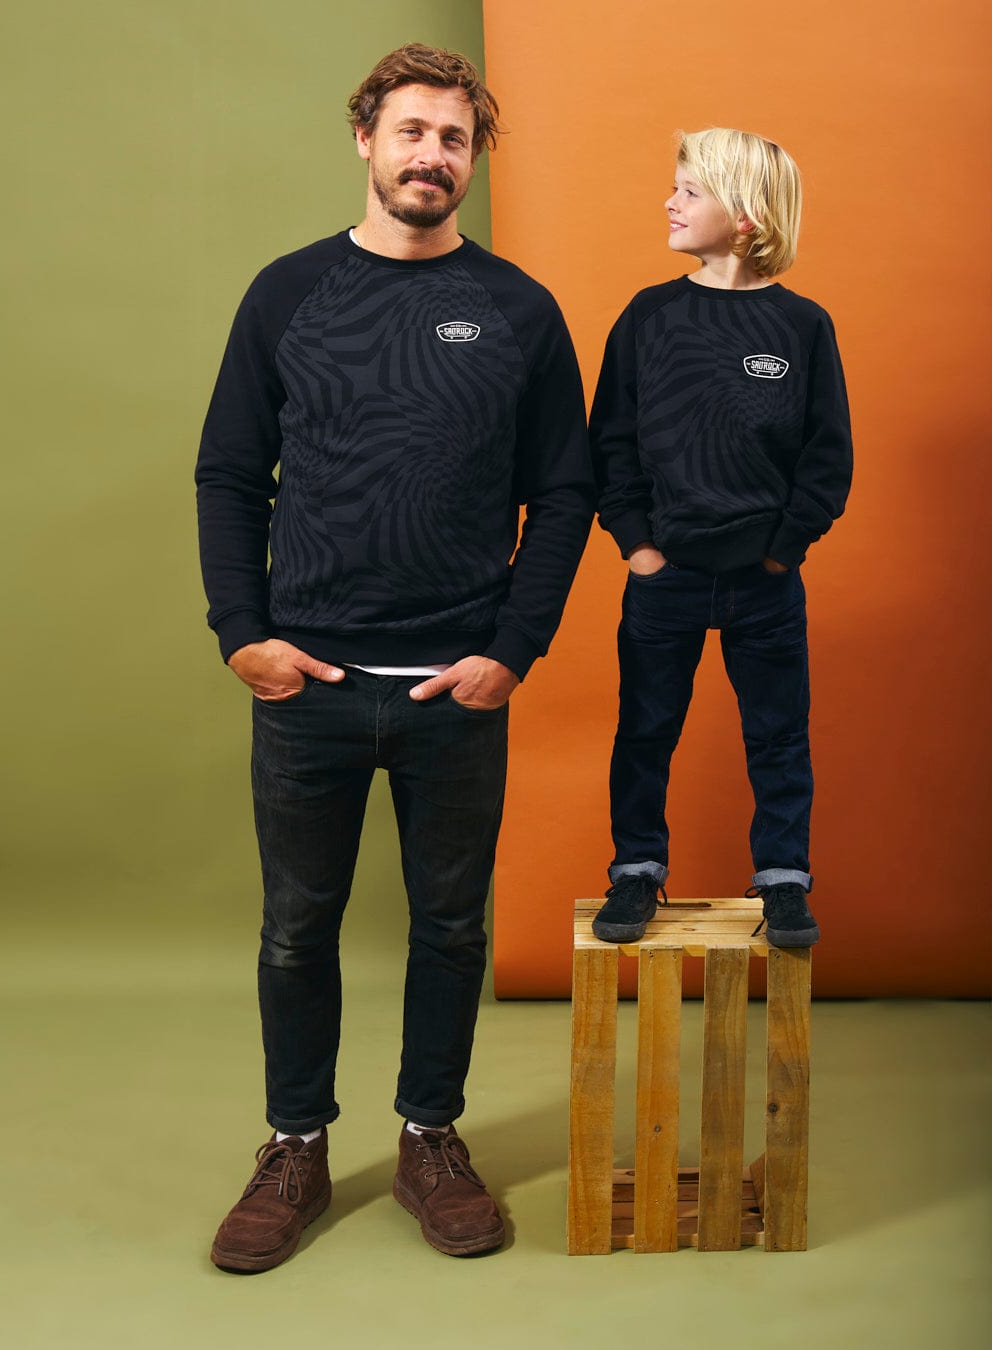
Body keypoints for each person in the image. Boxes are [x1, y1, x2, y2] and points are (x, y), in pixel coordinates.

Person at [195, 43, 593, 1272]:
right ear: (364, 140)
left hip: (453, 694)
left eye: (455, 138)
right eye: (411, 131)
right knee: (294, 934)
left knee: (451, 930)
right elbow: (228, 472)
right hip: (306, 688)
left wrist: (511, 653)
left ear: (474, 159)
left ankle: (431, 1136)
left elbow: (566, 492)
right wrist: (242, 634)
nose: (432, 156)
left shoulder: (521, 310)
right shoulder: (285, 294)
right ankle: (294, 1146)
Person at [590, 127, 852, 950]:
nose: (670, 202)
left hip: (766, 584)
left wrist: (783, 548)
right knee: (645, 730)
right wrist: (638, 546)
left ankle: (784, 880)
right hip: (665, 578)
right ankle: (636, 869)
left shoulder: (802, 327)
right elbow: (612, 441)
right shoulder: (650, 316)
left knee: (779, 734)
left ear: (745, 215)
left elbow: (827, 456)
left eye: (690, 191)